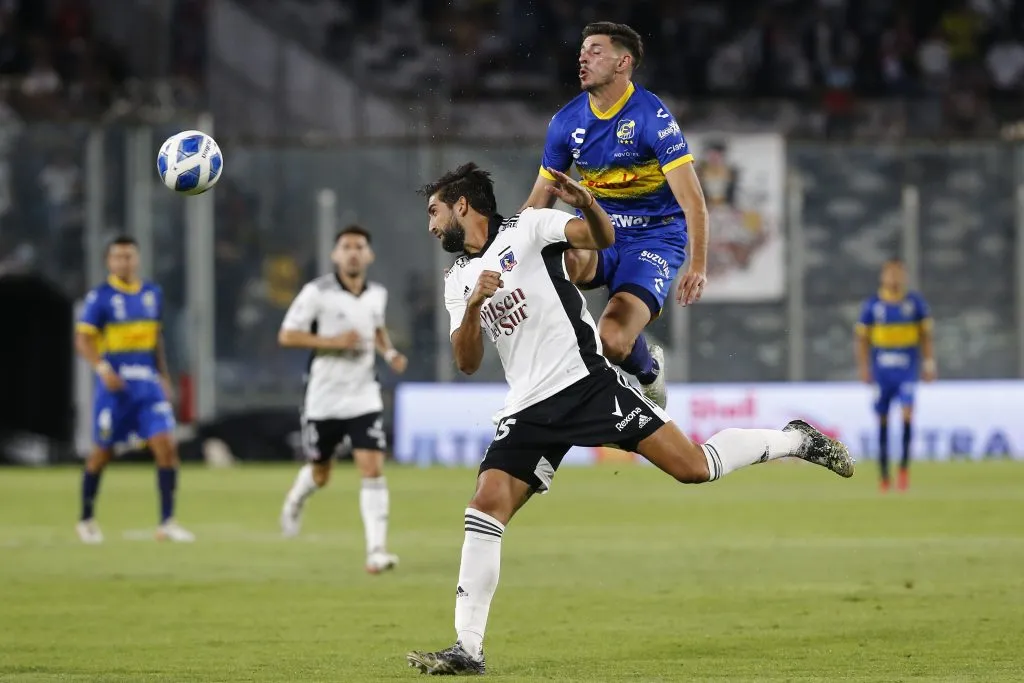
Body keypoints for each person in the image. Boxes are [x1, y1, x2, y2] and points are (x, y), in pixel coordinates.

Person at [406, 163, 854, 675]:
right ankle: (468, 649)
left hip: (587, 386)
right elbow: (465, 361)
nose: (431, 225)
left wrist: (588, 203)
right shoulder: (458, 279)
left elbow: (601, 237)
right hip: (527, 409)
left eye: (435, 211)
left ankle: (795, 440)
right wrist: (473, 308)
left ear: (463, 205)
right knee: (484, 509)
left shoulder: (528, 228)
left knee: (693, 467)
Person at [521, 21, 710, 409]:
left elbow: (694, 202)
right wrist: (498, 254)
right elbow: (537, 202)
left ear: (623, 62)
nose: (583, 58)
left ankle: (648, 370)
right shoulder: (565, 123)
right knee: (559, 257)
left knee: (613, 341)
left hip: (654, 239)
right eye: (581, 52)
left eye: (595, 51)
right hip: (598, 231)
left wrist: (699, 265)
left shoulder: (651, 118)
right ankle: (561, 366)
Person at [278, 224, 408, 574]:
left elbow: (377, 329)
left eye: (359, 246)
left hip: (363, 395)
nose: (353, 252)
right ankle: (296, 498)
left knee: (372, 467)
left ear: (369, 255)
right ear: (335, 255)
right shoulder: (316, 292)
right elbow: (287, 335)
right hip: (324, 397)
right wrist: (334, 343)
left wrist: (390, 352)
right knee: (321, 473)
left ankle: (376, 550)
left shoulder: (376, 293)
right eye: (346, 246)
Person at [74, 235, 193, 543]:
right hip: (116, 390)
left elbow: (157, 341)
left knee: (166, 447)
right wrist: (102, 369)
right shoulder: (99, 298)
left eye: (129, 256)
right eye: (118, 257)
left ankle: (167, 522)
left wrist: (163, 376)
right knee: (102, 453)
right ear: (108, 262)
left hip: (148, 387)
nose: (124, 262)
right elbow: (83, 340)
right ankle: (86, 518)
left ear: (137, 259)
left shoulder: (153, 294)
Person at [855, 259, 936, 492]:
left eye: (899, 273)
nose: (894, 278)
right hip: (882, 373)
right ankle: (883, 474)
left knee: (908, 414)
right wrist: (863, 368)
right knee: (882, 419)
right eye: (890, 273)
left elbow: (926, 336)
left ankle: (903, 469)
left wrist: (929, 364)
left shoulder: (915, 304)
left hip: (907, 372)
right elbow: (861, 339)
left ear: (905, 277)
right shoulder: (873, 306)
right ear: (883, 277)